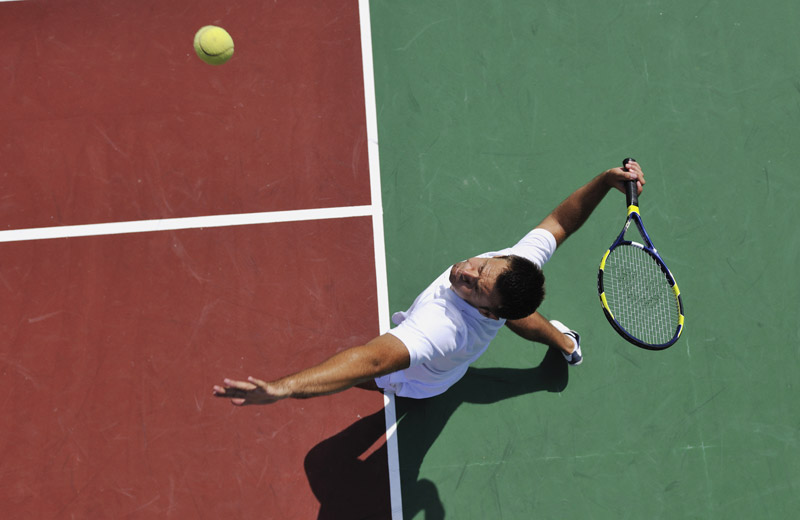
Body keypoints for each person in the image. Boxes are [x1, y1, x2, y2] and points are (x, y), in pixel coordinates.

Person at [213, 161, 645, 405]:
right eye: (482, 266)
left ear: (484, 309)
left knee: (355, 380)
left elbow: (375, 360)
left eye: (475, 285)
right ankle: (566, 343)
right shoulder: (513, 267)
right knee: (519, 314)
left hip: (423, 379)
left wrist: (285, 387)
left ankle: (561, 344)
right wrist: (606, 182)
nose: (466, 271)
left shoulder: (442, 326)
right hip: (489, 322)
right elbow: (560, 221)